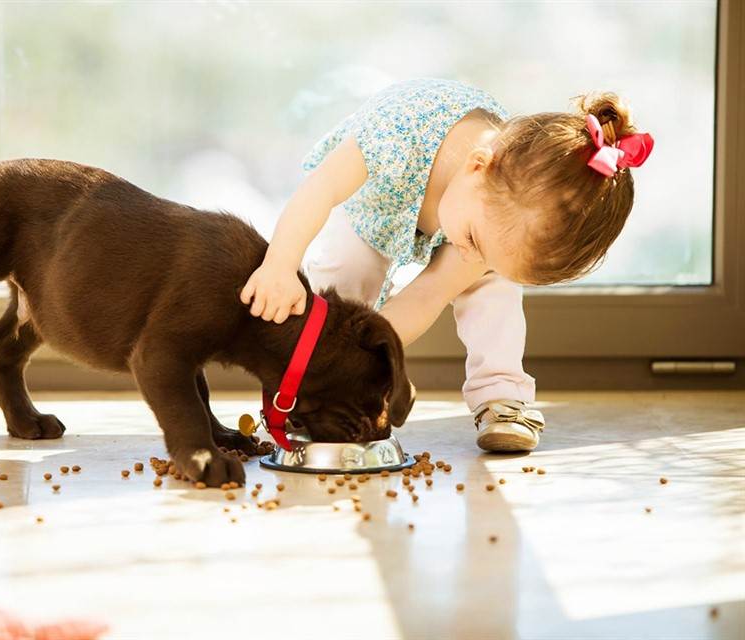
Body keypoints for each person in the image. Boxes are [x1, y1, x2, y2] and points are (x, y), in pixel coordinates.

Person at [240, 77, 653, 452]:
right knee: (345, 271)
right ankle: (318, 389)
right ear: (477, 166)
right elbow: (321, 188)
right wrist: (280, 263)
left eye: (489, 256)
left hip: (470, 212)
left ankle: (502, 395)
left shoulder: (493, 219)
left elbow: (429, 293)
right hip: (375, 204)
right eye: (474, 242)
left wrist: (377, 359)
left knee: (493, 291)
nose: (472, 258)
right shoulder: (395, 137)